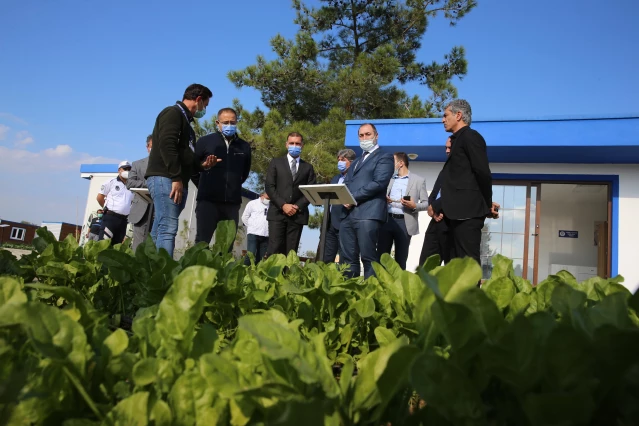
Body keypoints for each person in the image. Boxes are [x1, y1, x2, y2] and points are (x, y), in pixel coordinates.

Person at [144, 83, 218, 258]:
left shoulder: (187, 126)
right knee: (168, 228)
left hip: (176, 179)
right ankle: (164, 272)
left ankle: (149, 269)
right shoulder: (172, 113)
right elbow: (167, 145)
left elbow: (186, 157)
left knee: (160, 227)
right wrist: (176, 177)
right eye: (205, 105)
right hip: (166, 177)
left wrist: (202, 166)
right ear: (198, 100)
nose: (204, 110)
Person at [440, 99, 499, 265]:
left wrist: (487, 204)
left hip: (468, 215)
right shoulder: (456, 140)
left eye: (445, 115)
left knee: (468, 266)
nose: (442, 120)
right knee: (453, 267)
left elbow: (483, 173)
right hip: (454, 215)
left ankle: (472, 292)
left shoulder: (471, 137)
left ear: (458, 115)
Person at [340, 123, 394, 279]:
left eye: (368, 134)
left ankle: (370, 296)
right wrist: (345, 197)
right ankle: (349, 294)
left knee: (368, 258)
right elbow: (347, 183)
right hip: (348, 215)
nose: (364, 138)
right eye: (361, 136)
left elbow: (379, 182)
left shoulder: (385, 156)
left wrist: (352, 197)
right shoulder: (356, 161)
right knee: (348, 260)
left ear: (376, 136)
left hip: (368, 214)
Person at [194, 107, 252, 248]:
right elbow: (193, 168)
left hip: (232, 204)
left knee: (226, 246)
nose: (229, 125)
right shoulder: (205, 141)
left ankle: (221, 270)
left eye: (232, 122)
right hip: (207, 202)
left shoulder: (244, 146)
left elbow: (244, 173)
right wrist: (204, 184)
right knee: (202, 243)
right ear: (217, 123)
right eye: (225, 122)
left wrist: (233, 186)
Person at [265, 132, 316, 256]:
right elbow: (270, 187)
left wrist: (297, 206)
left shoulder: (308, 167)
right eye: (292, 143)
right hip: (277, 213)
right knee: (274, 250)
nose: (295, 145)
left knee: (291, 253)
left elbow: (310, 190)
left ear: (302, 145)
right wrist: (283, 205)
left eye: (297, 143)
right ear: (286, 144)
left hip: (297, 215)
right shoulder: (276, 163)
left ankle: (288, 276)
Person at [378, 152, 428, 270]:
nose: (390, 165)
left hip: (405, 223)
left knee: (401, 259)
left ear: (401, 163)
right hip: (386, 220)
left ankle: (398, 286)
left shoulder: (418, 180)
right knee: (381, 256)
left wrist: (414, 205)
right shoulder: (388, 179)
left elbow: (426, 204)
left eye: (393, 162)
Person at [419, 137, 452, 267]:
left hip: (451, 223)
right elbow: (433, 195)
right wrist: (433, 211)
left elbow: (454, 193)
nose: (447, 151)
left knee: (451, 269)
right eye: (446, 148)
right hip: (435, 222)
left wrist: (436, 207)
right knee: (426, 266)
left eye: (450, 147)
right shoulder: (444, 170)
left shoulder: (463, 169)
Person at [323, 149, 356, 263]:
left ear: (351, 162)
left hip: (344, 222)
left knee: (344, 258)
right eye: (339, 160)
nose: (340, 162)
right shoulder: (335, 178)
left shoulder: (355, 179)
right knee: (326, 258)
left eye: (343, 160)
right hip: (330, 223)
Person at [126, 135, 154, 251]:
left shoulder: (166, 165)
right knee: (138, 248)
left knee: (154, 246)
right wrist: (149, 184)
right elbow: (130, 183)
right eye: (153, 146)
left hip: (158, 211)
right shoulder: (137, 164)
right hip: (140, 211)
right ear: (148, 147)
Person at [97, 161, 133, 244]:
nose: (127, 171)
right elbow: (99, 197)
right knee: (104, 244)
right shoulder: (111, 182)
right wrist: (105, 208)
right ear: (119, 170)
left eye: (129, 169)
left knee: (117, 246)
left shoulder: (132, 185)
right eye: (125, 169)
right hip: (110, 218)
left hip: (123, 220)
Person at [241, 192, 270, 264]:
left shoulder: (271, 205)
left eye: (269, 198)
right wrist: (251, 226)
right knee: (250, 255)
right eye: (267, 198)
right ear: (262, 195)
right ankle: (244, 271)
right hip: (253, 234)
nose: (268, 200)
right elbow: (244, 217)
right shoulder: (252, 203)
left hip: (266, 235)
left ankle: (256, 274)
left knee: (261, 258)